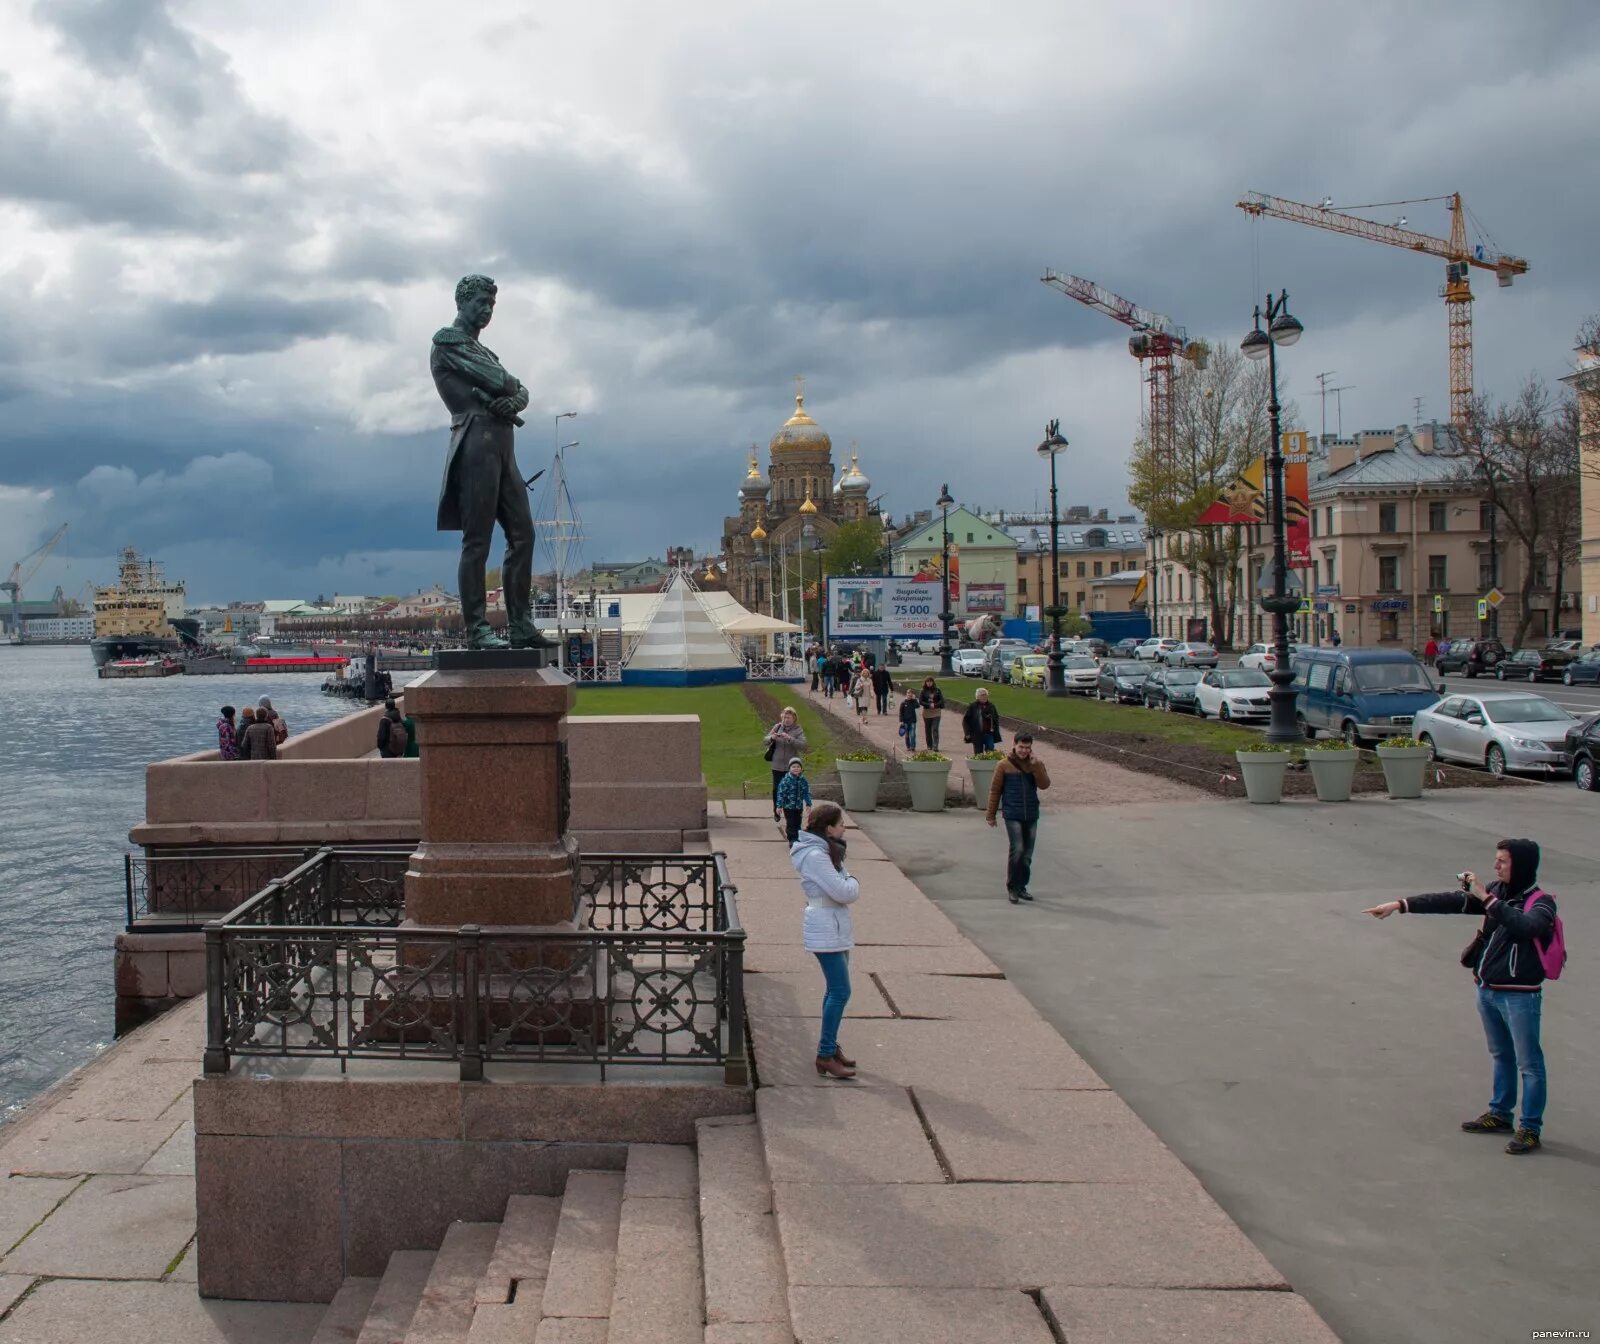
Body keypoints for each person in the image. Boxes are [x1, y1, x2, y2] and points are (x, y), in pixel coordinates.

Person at [1363, 839, 1557, 1155]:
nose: (1496, 866)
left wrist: (1486, 896)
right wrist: (1400, 904)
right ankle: (1500, 1113)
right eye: (1496, 860)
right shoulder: (1498, 893)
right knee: (1501, 1055)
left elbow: (1525, 927)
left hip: (1521, 996)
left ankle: (1530, 1129)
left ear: (1520, 865)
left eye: (1503, 861)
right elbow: (1452, 900)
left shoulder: (1542, 902)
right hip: (1488, 990)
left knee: (1529, 1064)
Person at [430, 274, 554, 651]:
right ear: (461, 303)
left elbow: (520, 391)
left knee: (523, 534)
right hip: (475, 443)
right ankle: (477, 629)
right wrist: (511, 392)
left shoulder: (482, 350)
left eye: (491, 305)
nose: (486, 310)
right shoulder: (448, 342)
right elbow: (503, 380)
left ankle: (519, 624)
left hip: (502, 446)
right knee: (477, 540)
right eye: (480, 302)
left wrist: (512, 400)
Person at [789, 802, 859, 1080]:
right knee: (841, 991)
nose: (844, 828)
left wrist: (846, 879)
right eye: (841, 824)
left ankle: (830, 1046)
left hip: (834, 925)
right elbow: (845, 890)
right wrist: (852, 879)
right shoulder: (817, 856)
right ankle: (825, 1054)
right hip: (825, 925)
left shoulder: (827, 852)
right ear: (829, 827)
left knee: (835, 990)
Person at [985, 733, 1051, 904]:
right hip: (1012, 813)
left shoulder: (1035, 764)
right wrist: (990, 815)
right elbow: (994, 790)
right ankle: (1013, 887)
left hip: (1031, 813)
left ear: (1031, 748)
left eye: (1027, 748)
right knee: (1018, 850)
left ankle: (1022, 887)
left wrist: (1036, 767)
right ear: (1014, 745)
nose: (1023, 750)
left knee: (1027, 854)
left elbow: (1044, 785)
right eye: (1021, 747)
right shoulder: (1003, 765)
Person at [763, 707, 808, 824]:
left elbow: (803, 745)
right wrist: (772, 737)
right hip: (777, 764)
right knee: (776, 790)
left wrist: (790, 739)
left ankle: (790, 814)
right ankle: (776, 811)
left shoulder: (798, 730)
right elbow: (765, 740)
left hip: (792, 767)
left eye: (788, 717)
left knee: (792, 790)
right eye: (783, 717)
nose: (785, 719)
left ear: (794, 718)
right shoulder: (777, 727)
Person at [775, 758, 813, 843]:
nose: (796, 768)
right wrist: (779, 806)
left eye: (798, 766)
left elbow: (806, 792)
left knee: (798, 822)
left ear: (801, 768)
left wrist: (808, 804)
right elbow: (781, 793)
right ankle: (792, 839)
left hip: (798, 806)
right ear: (789, 768)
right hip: (788, 807)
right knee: (791, 823)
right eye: (793, 766)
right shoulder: (786, 780)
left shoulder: (803, 780)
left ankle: (797, 837)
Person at [962, 687, 1001, 755]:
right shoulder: (972, 706)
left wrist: (994, 727)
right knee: (978, 752)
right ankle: (979, 765)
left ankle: (989, 764)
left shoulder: (991, 706)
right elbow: (965, 720)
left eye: (986, 694)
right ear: (977, 697)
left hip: (989, 733)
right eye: (982, 695)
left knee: (990, 749)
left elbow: (996, 718)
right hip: (977, 733)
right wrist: (967, 733)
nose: (985, 696)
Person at [918, 676, 945, 751]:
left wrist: (935, 705)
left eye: (930, 681)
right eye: (927, 681)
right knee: (928, 729)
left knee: (935, 728)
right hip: (927, 712)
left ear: (933, 682)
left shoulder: (937, 690)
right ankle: (929, 745)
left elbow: (941, 701)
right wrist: (928, 705)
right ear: (925, 683)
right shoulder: (923, 691)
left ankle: (935, 745)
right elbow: (920, 701)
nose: (929, 683)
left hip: (936, 712)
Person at [898, 686, 920, 751]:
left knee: (913, 734)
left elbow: (917, 706)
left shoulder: (914, 702)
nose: (909, 695)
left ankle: (913, 746)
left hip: (913, 720)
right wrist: (901, 720)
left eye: (911, 693)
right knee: (907, 735)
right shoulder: (903, 703)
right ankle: (908, 746)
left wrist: (915, 699)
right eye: (908, 693)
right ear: (906, 694)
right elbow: (901, 712)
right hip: (905, 721)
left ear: (912, 695)